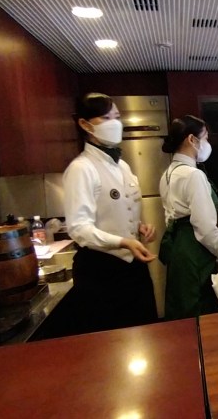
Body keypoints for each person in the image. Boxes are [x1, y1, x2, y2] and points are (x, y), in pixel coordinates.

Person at [63, 92, 158, 334]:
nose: (114, 123)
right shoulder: (81, 168)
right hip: (100, 271)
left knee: (144, 333)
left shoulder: (122, 165)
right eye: (105, 118)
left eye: (116, 116)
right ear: (85, 124)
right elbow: (79, 228)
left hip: (133, 267)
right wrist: (122, 241)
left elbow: (121, 208)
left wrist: (139, 227)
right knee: (111, 340)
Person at [159, 115, 218, 320]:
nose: (208, 144)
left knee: (182, 307)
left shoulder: (168, 173)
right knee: (200, 310)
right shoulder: (193, 175)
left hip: (177, 248)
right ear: (192, 139)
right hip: (194, 250)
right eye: (205, 138)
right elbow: (205, 228)